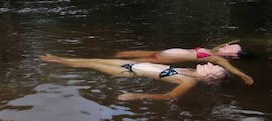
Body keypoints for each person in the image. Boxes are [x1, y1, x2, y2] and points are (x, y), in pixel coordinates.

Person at [40, 54, 228, 101]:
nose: (209, 64)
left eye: (213, 68)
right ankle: (56, 58)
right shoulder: (189, 70)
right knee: (88, 60)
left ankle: (52, 61)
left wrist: (136, 95)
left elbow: (170, 97)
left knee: (87, 64)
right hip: (131, 63)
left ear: (210, 79)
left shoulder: (190, 81)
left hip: (129, 71)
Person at [114, 39, 254, 85]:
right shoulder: (215, 50)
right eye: (230, 45)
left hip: (166, 58)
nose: (227, 47)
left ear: (233, 56)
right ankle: (111, 60)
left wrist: (243, 75)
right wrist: (233, 41)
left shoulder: (216, 58)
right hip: (162, 52)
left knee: (131, 62)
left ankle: (112, 67)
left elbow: (231, 68)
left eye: (231, 48)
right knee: (123, 54)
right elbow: (224, 44)